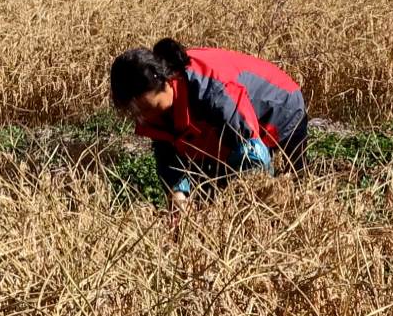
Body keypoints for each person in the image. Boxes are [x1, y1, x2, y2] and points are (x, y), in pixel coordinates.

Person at [110, 38, 308, 206]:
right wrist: (177, 197)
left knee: (285, 194)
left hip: (278, 109)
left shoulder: (213, 93)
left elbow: (251, 154)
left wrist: (242, 204)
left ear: (168, 82)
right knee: (206, 199)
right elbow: (167, 151)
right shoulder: (151, 111)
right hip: (216, 128)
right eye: (135, 112)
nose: (144, 118)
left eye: (148, 108)